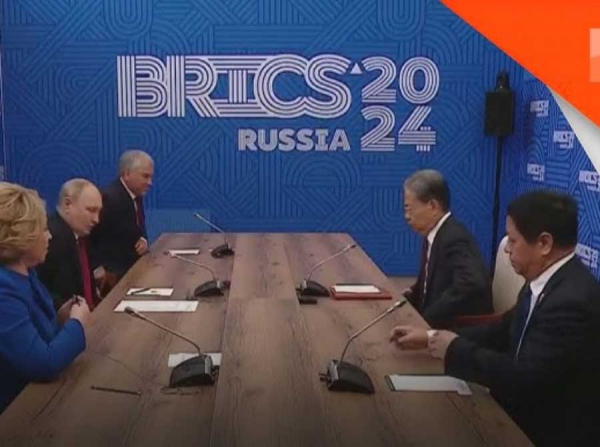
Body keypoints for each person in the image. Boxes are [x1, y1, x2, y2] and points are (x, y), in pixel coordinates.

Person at [390, 190, 600, 446]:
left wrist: (454, 348)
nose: (507, 249)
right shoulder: (546, 280)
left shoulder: (571, 302)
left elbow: (524, 378)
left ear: (544, 244)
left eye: (512, 240)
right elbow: (503, 330)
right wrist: (431, 337)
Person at [0, 182, 90, 414]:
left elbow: (37, 331)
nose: (49, 236)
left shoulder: (26, 273)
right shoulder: (3, 290)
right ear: (21, 236)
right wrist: (77, 322)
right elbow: (44, 363)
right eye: (43, 229)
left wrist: (61, 317)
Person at [402, 169, 492, 326]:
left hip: (459, 329)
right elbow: (432, 285)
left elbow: (472, 283)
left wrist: (426, 319)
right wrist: (410, 295)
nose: (407, 216)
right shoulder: (434, 234)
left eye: (409, 209)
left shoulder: (454, 237)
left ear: (432, 206)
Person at [37, 179, 103, 311]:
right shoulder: (53, 240)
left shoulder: (79, 236)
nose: (96, 219)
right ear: (68, 204)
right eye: (91, 210)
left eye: (98, 212)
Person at [90, 150, 154, 281]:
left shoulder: (136, 194)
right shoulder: (108, 198)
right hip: (114, 274)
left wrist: (143, 239)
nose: (150, 182)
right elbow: (89, 236)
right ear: (126, 174)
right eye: (145, 176)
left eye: (151, 177)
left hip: (133, 267)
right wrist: (96, 268)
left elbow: (137, 226)